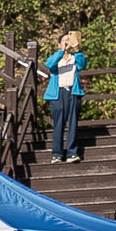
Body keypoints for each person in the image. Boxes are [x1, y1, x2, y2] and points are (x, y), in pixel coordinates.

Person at [42, 31, 86, 162]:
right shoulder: (55, 57)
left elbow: (82, 64)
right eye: (64, 40)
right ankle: (57, 154)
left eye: (69, 40)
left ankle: (72, 152)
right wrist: (62, 51)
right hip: (58, 94)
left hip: (73, 92)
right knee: (58, 124)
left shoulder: (75, 58)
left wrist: (77, 48)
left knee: (72, 124)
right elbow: (49, 65)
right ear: (59, 43)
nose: (67, 43)